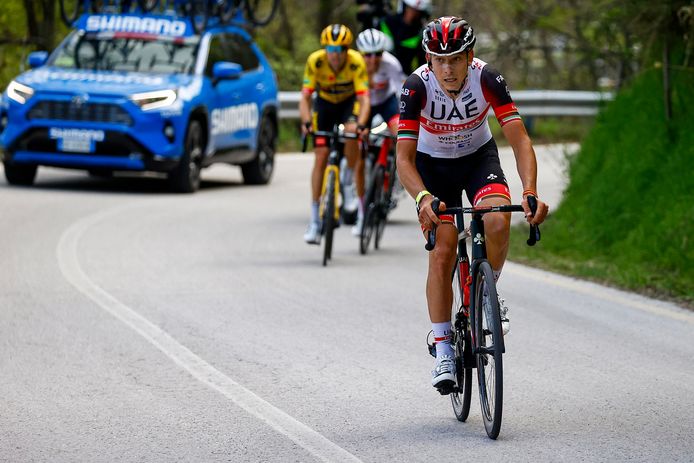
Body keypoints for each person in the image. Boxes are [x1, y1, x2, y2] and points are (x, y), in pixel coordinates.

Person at [395, 17, 549, 389]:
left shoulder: (487, 79)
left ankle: (486, 292)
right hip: (433, 169)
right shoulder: (417, 86)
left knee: (497, 219)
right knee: (443, 250)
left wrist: (529, 190)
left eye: (455, 59)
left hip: (478, 157)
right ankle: (445, 349)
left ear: (470, 56)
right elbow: (403, 158)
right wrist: (422, 198)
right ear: (429, 60)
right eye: (439, 60)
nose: (447, 68)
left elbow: (520, 140)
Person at [299, 24, 371, 244]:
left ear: (347, 50)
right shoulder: (315, 61)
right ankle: (314, 219)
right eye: (331, 49)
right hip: (325, 106)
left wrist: (360, 124)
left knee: (351, 133)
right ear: (325, 49)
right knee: (320, 157)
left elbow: (364, 99)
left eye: (341, 50)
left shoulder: (356, 62)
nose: (336, 55)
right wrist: (305, 121)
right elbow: (305, 97)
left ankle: (348, 179)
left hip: (348, 105)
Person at [351, 28, 406, 235]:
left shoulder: (391, 64)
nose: (372, 59)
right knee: (359, 155)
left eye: (377, 54)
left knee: (400, 133)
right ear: (361, 53)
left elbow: (402, 94)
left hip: (386, 103)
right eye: (367, 54)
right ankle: (361, 212)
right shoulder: (354, 65)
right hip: (363, 104)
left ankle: (395, 171)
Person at [379, 0, 431, 74]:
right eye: (410, 9)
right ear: (404, 7)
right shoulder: (387, 22)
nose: (412, 13)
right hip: (381, 71)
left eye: (416, 11)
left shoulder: (422, 35)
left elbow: (422, 64)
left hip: (403, 76)